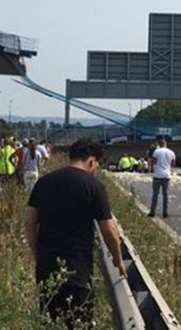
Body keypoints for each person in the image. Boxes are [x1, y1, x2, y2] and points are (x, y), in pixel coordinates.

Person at [25, 138, 125, 328]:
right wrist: (118, 260)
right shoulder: (94, 186)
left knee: (51, 322)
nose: (96, 169)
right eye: (97, 165)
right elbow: (109, 229)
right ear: (91, 160)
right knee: (79, 321)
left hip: (47, 270)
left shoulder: (44, 182)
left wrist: (37, 253)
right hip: (77, 269)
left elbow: (30, 222)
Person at [149, 138, 175, 218]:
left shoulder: (157, 151)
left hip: (157, 175)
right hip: (166, 175)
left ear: (159, 144)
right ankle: (165, 212)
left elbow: (154, 161)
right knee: (165, 194)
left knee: (155, 194)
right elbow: (173, 163)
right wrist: (169, 169)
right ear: (165, 144)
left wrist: (153, 169)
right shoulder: (171, 152)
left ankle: (152, 212)